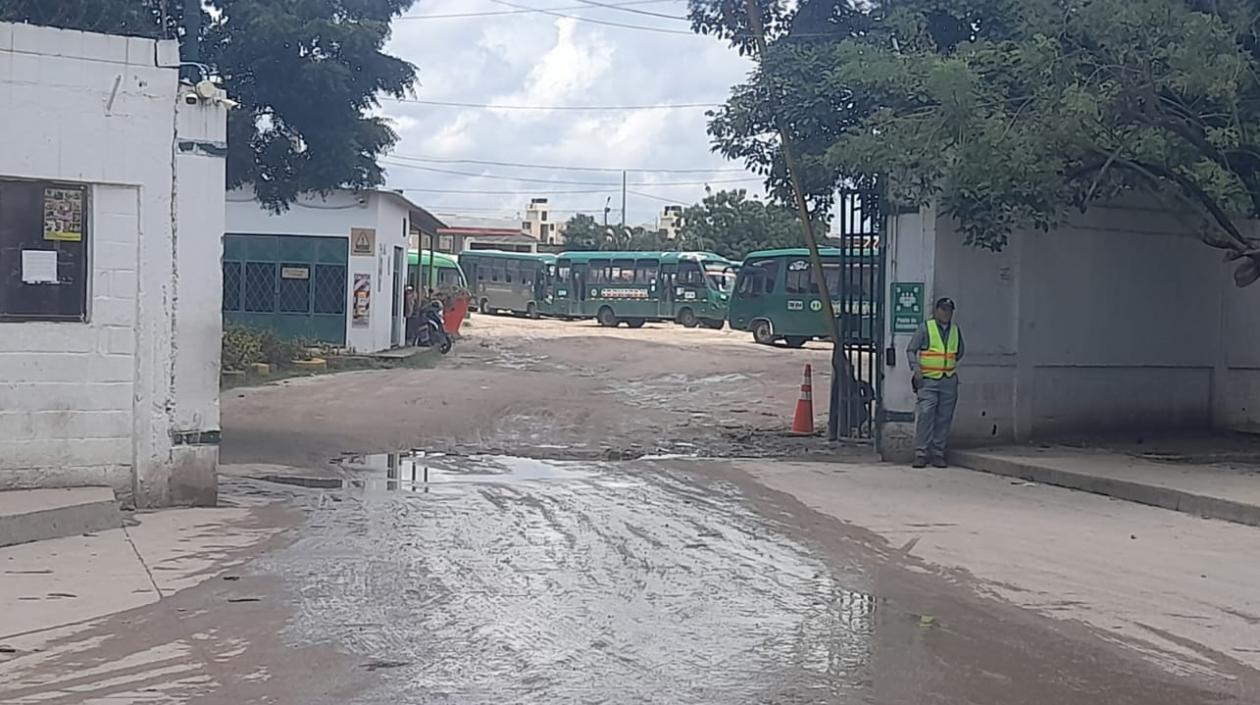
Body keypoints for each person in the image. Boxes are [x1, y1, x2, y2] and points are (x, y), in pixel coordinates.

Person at [906, 297, 965, 468]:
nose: (946, 313)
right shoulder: (926, 328)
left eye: (949, 310)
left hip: (948, 381)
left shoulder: (955, 330)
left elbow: (960, 352)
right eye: (943, 310)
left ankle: (938, 453)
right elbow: (911, 349)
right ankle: (921, 453)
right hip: (928, 380)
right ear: (936, 311)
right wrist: (916, 368)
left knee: (944, 418)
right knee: (926, 415)